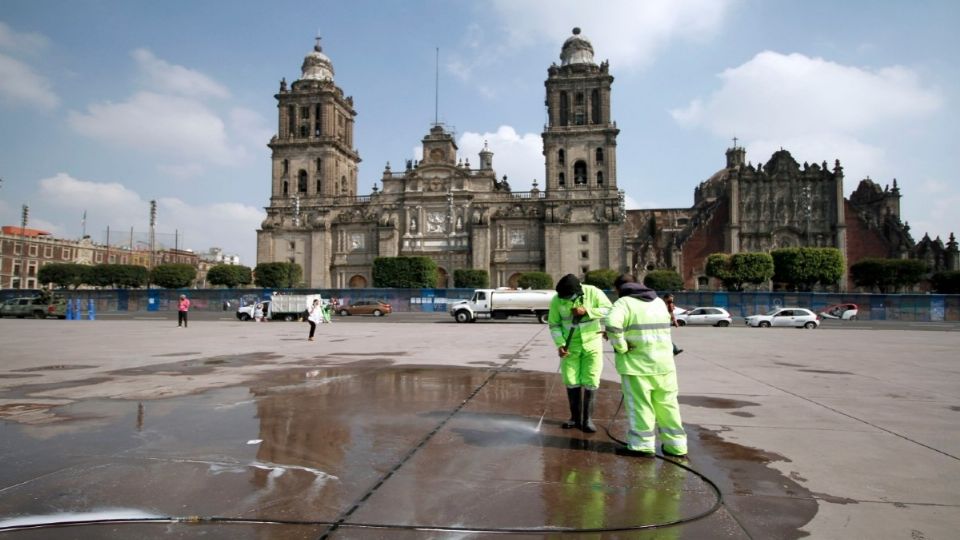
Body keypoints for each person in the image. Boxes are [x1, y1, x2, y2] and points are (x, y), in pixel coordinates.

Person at [605, 274, 687, 458]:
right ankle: (676, 446)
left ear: (619, 289)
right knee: (668, 404)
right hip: (664, 365)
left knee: (641, 405)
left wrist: (621, 346)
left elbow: (611, 323)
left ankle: (642, 445)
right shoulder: (658, 302)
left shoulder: (624, 303)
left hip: (637, 366)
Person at [547, 274, 612, 433]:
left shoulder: (593, 292)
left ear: (578, 291)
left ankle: (587, 419)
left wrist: (588, 311)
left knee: (591, 378)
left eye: (569, 297)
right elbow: (554, 325)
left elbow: (609, 309)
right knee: (571, 379)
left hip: (592, 343)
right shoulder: (557, 300)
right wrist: (560, 344)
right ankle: (575, 418)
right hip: (570, 346)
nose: (566, 299)